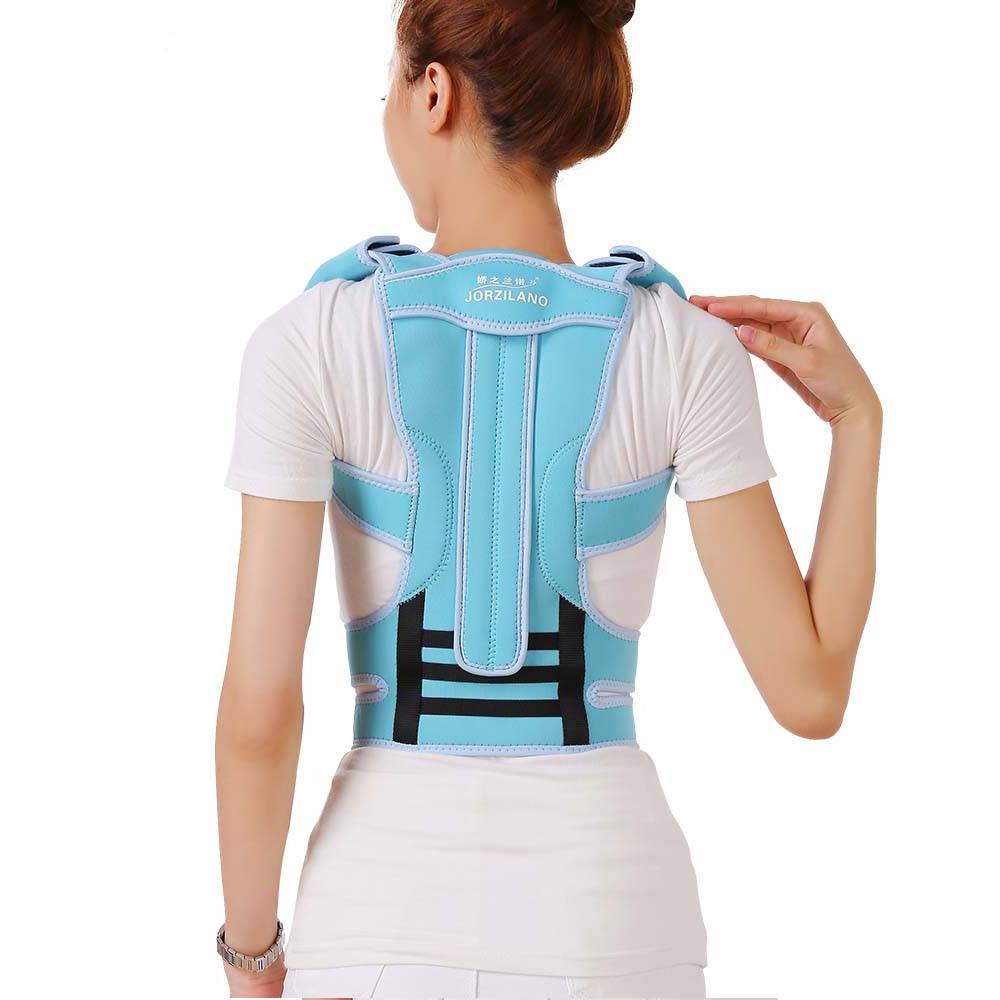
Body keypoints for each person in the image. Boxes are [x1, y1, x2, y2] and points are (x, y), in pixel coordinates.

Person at [215, 1, 882, 997]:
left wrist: (252, 955)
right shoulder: (682, 345)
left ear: (433, 92)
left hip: (382, 913)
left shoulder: (311, 337)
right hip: (614, 924)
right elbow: (811, 693)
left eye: (388, 87)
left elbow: (259, 711)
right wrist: (858, 424)